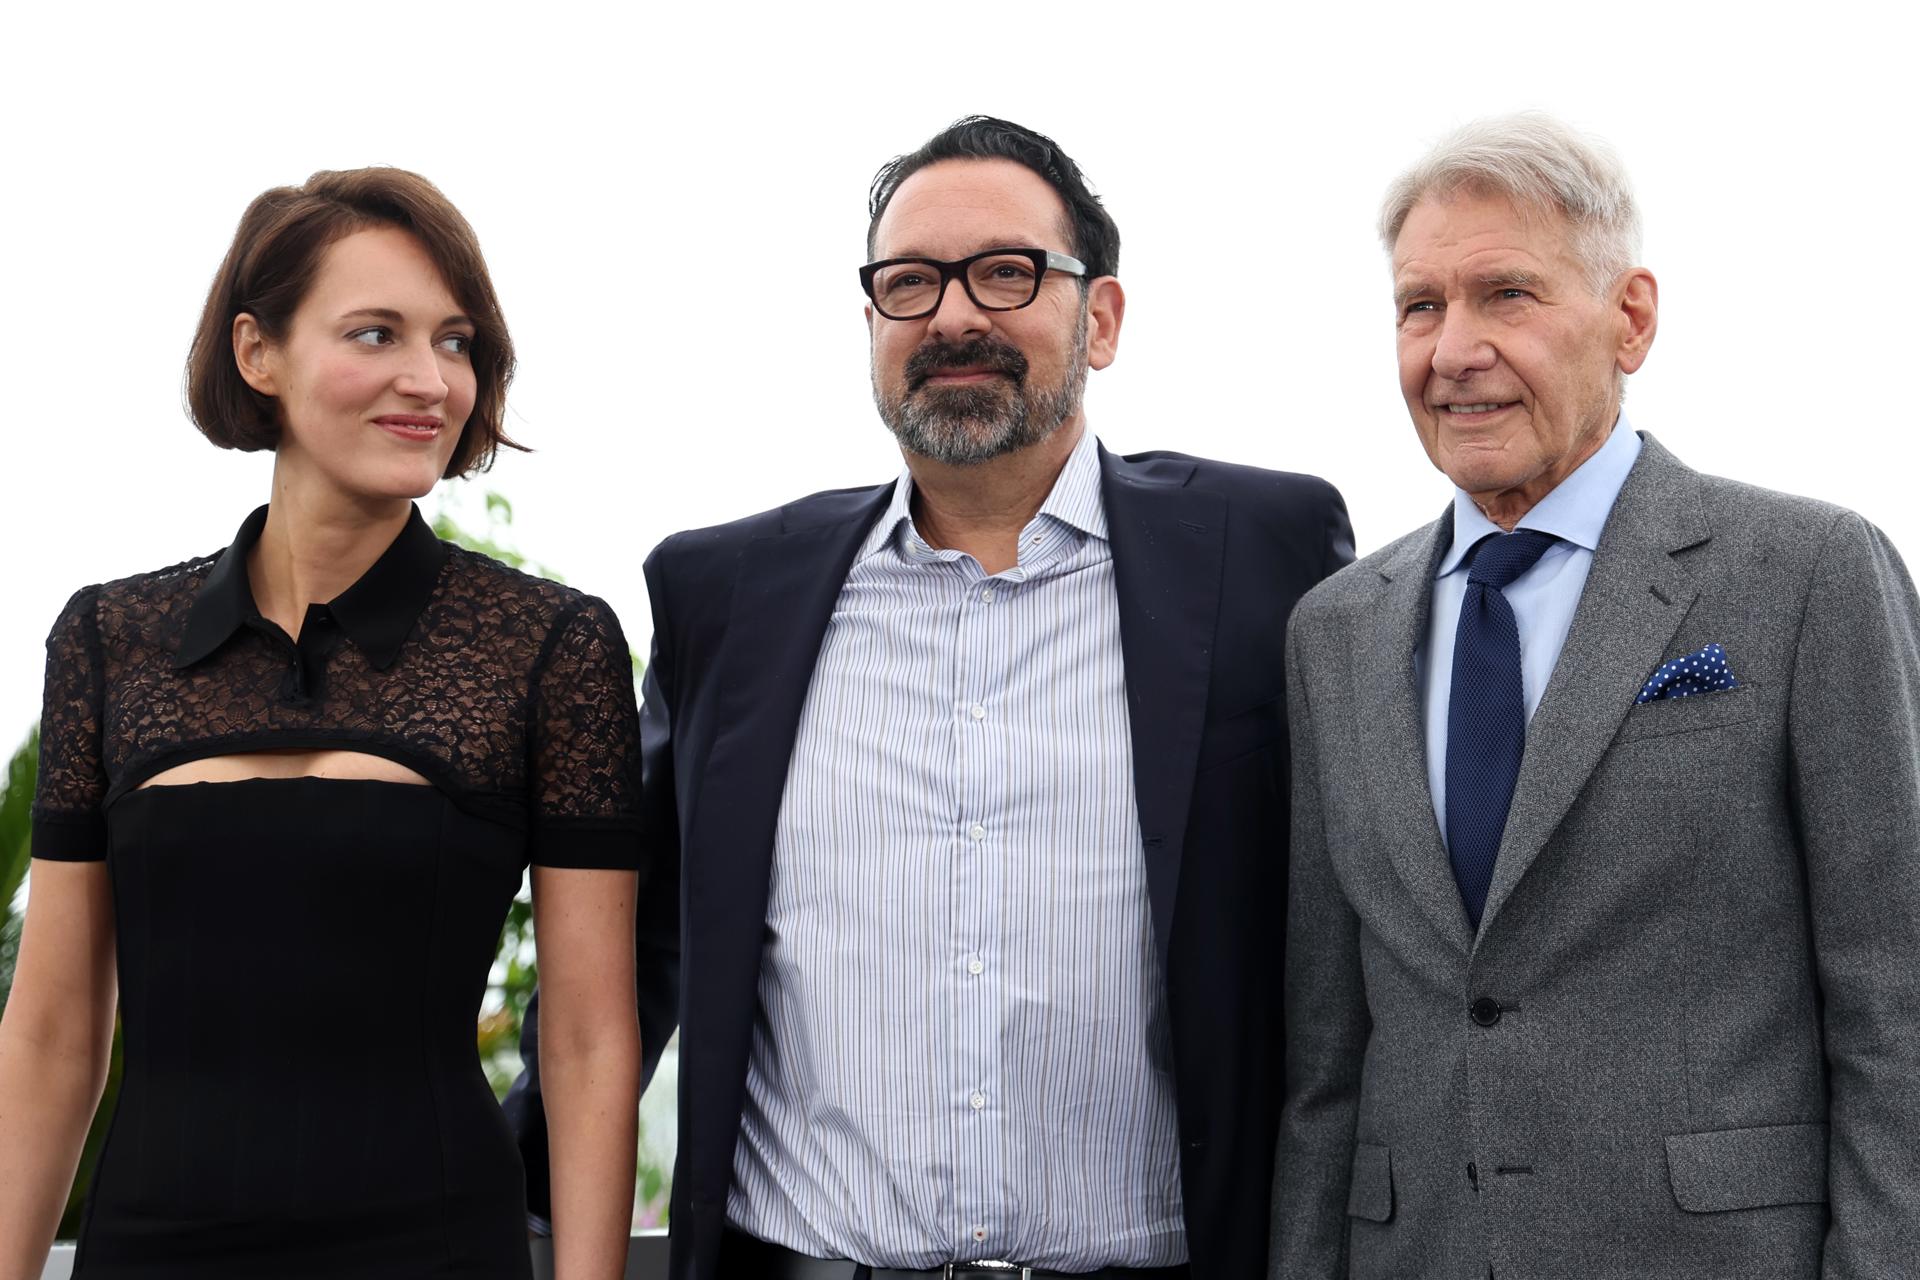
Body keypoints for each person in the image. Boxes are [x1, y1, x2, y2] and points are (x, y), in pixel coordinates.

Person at [520, 115, 1351, 1279]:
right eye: (909, 284)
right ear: (871, 326)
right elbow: (633, 945)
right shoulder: (725, 594)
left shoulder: (1263, 551)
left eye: (1007, 272)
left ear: (1099, 318)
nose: (954, 316)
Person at [1271, 112, 1920, 1278]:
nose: (1452, 349)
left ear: (1631, 318)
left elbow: (1900, 1001)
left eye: (1505, 294)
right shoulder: (1335, 630)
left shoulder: (1809, 573)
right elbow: (1329, 1055)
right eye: (1420, 306)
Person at [0, 168, 643, 1280]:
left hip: (436, 1247)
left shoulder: (546, 643)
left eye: (455, 340)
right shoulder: (111, 638)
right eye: (376, 332)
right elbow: (54, 1027)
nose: (428, 379)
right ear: (259, 353)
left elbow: (589, 1040)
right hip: (151, 1250)